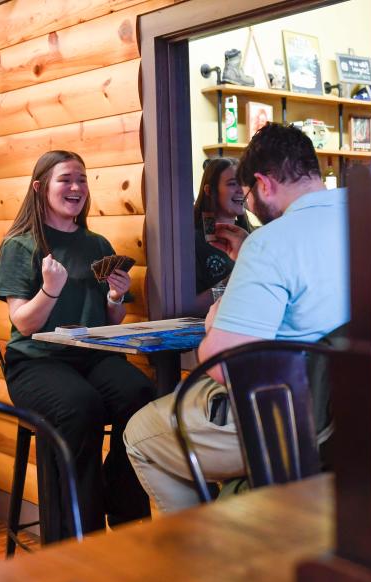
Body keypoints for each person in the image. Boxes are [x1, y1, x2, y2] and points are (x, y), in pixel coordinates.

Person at [124, 123, 349, 513]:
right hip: (360, 406)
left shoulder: (272, 241)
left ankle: (202, 560)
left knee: (140, 435)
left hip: (296, 418)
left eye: (246, 193)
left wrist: (214, 321)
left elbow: (226, 365)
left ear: (263, 183)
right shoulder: (369, 220)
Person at [0, 150, 155, 538]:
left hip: (91, 357)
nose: (77, 187)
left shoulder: (97, 244)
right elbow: (23, 323)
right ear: (40, 187)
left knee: (142, 394)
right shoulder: (22, 245)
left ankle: (123, 505)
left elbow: (110, 320)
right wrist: (49, 290)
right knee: (82, 408)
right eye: (66, 179)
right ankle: (81, 531)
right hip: (35, 363)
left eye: (81, 179)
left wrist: (116, 297)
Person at [193, 157, 253, 310]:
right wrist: (232, 281)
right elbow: (190, 306)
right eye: (233, 184)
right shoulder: (193, 240)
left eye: (244, 183)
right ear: (209, 191)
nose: (241, 190)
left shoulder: (254, 237)